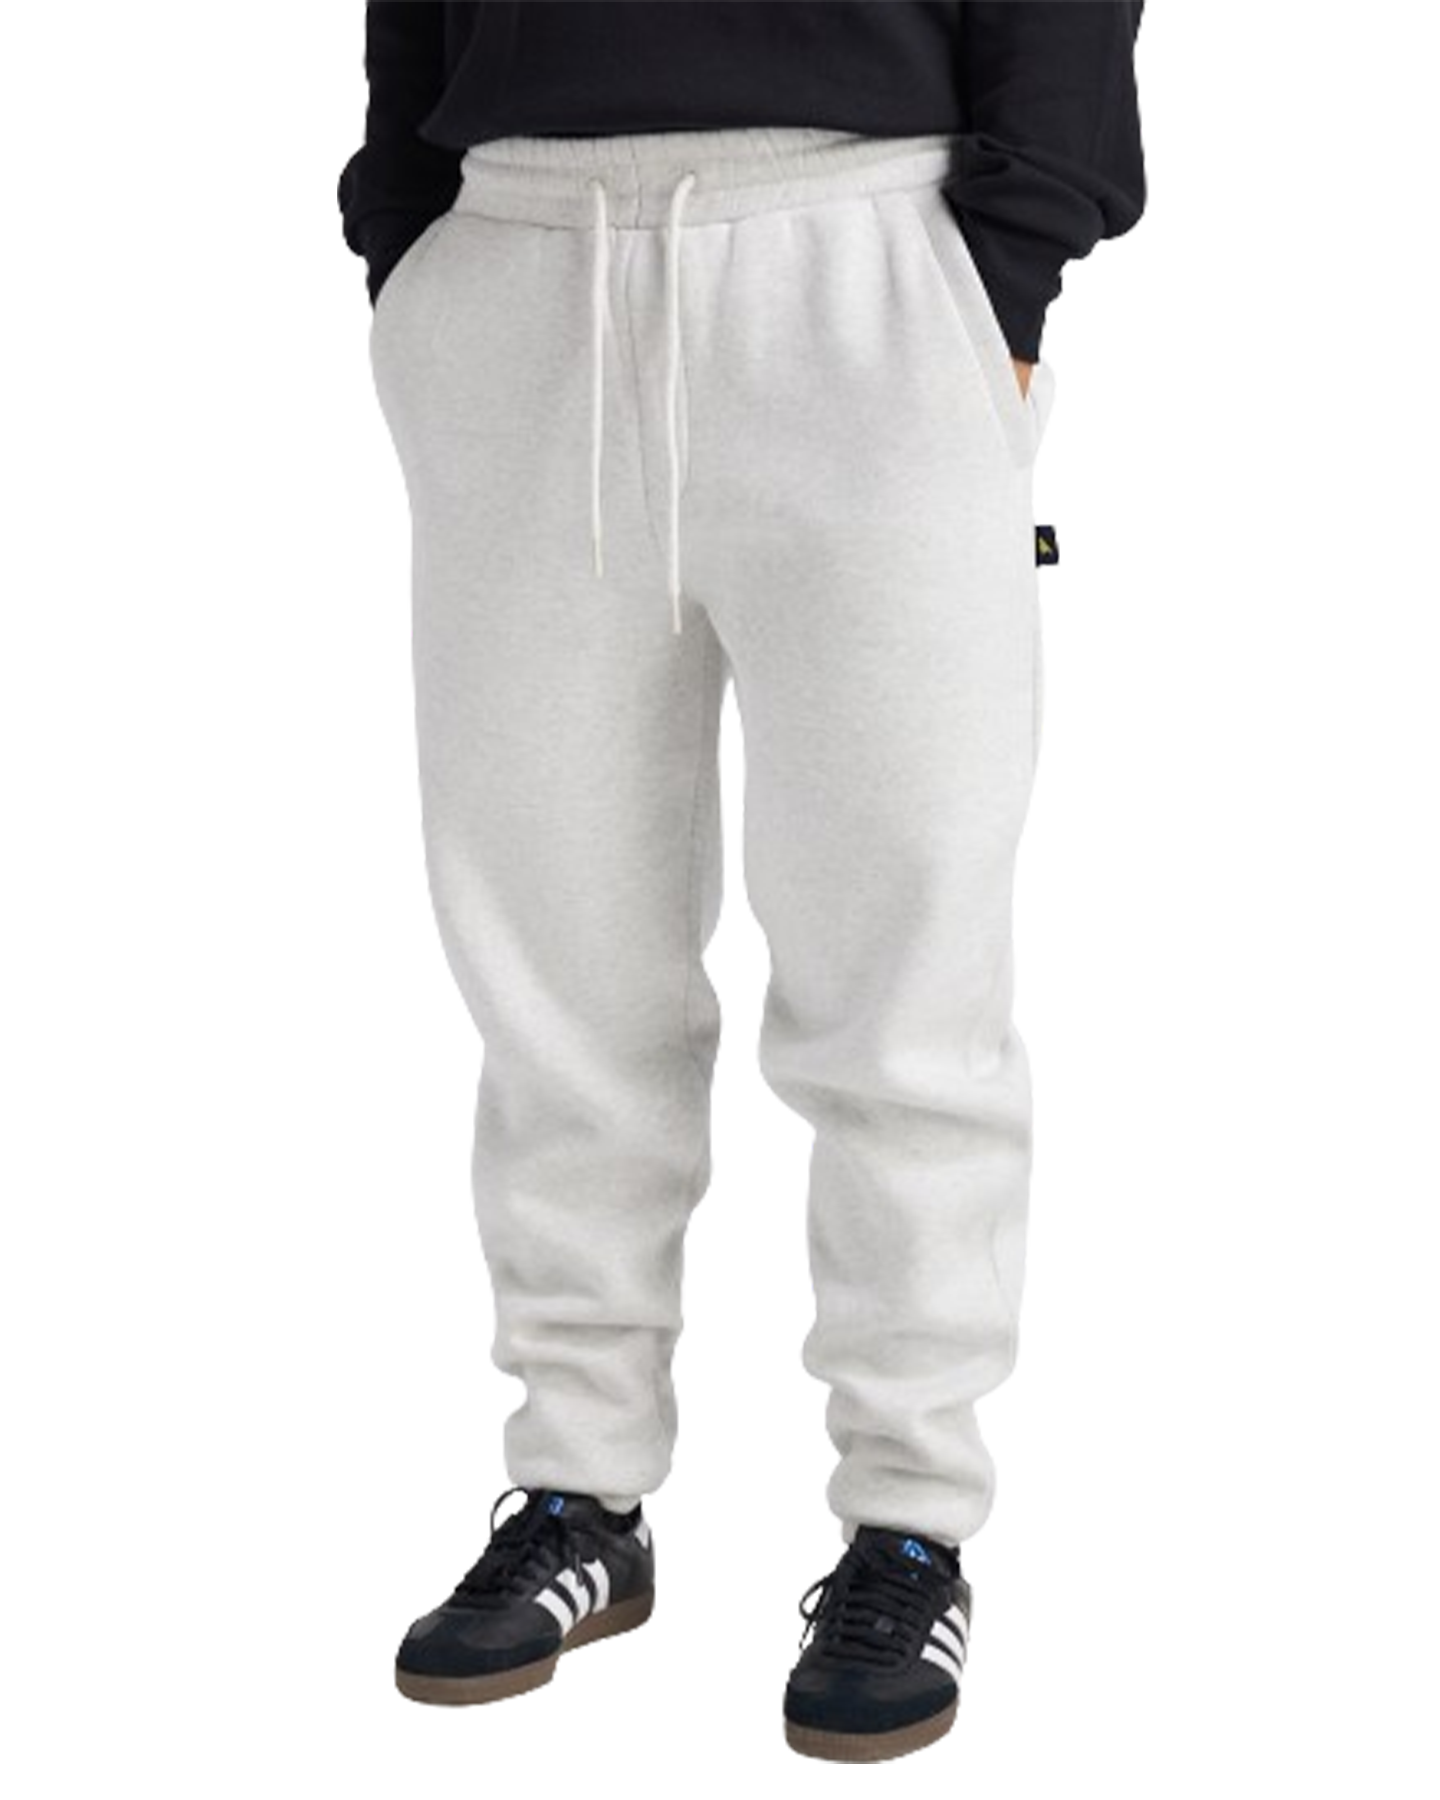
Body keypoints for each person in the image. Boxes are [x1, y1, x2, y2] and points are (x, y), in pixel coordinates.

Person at [339, 0, 1145, 1763]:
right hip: (517, 261)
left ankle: (910, 1514)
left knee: (901, 953)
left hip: (865, 256)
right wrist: (411, 245)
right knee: (553, 960)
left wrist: (1003, 269)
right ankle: (573, 1485)